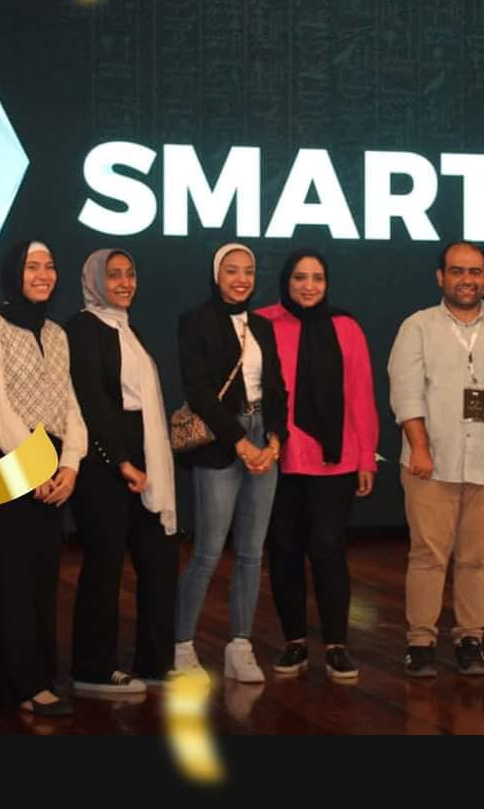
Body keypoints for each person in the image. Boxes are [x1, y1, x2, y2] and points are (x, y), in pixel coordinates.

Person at [388, 241, 484, 678]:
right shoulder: (417, 326)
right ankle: (420, 641)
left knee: (478, 557)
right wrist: (419, 447)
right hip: (431, 461)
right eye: (457, 271)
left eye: (475, 272)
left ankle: (471, 638)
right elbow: (406, 392)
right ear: (441, 277)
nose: (466, 280)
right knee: (428, 555)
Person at [0, 240, 87, 716]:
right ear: (14, 272)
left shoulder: (56, 333)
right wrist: (31, 466)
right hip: (3, 459)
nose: (43, 274)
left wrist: (71, 463)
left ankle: (40, 680)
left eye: (50, 266)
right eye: (32, 266)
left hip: (50, 462)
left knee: (42, 577)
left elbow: (70, 405)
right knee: (9, 577)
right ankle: (24, 686)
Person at [255, 249, 379, 680]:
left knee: (329, 550)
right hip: (279, 456)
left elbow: (360, 394)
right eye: (300, 277)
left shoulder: (346, 327)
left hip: (335, 459)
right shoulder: (263, 322)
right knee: (284, 551)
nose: (309, 286)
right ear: (285, 280)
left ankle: (336, 645)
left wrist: (366, 457)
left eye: (317, 278)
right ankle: (294, 643)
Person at [173, 243, 289, 684]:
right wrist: (240, 442)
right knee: (207, 551)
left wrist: (274, 440)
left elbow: (276, 388)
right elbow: (199, 391)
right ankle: (182, 644)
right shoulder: (196, 320)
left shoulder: (262, 325)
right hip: (223, 440)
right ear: (216, 274)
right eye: (231, 270)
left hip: (263, 438)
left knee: (251, 553)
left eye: (248, 271)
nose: (241, 279)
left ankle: (240, 646)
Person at [66, 249, 179, 696]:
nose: (125, 283)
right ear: (95, 280)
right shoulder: (82, 328)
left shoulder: (128, 329)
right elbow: (91, 400)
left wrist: (140, 460)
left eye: (130, 274)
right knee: (105, 564)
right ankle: (92, 668)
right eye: (113, 275)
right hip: (102, 461)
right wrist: (121, 460)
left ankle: (154, 663)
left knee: (158, 561)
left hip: (142, 451)